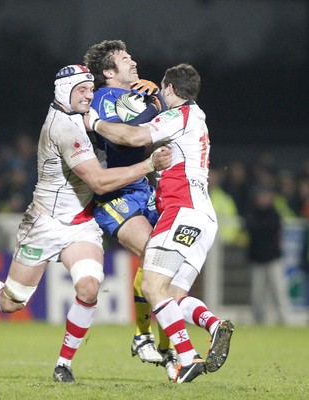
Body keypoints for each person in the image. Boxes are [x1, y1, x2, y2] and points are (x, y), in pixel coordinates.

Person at [0, 64, 171, 383]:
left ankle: (63, 364)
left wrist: (138, 104)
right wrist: (149, 163)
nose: (88, 95)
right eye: (80, 90)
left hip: (80, 224)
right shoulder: (64, 127)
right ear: (63, 93)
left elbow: (115, 126)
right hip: (45, 223)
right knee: (12, 302)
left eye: (89, 89)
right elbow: (98, 181)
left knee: (89, 286)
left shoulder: (80, 114)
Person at [84, 62, 234, 383]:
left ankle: (188, 355)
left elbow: (134, 136)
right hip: (203, 218)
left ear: (169, 89)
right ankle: (212, 324)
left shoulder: (176, 116)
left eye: (162, 90)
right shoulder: (196, 117)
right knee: (172, 294)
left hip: (180, 211)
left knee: (152, 286)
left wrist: (95, 122)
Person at [83, 39, 177, 379]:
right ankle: (143, 336)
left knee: (168, 261)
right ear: (109, 72)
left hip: (145, 187)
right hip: (116, 190)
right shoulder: (101, 99)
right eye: (125, 59)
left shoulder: (138, 93)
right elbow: (124, 134)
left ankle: (165, 347)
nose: (133, 62)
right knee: (155, 254)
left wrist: (156, 102)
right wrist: (156, 103)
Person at [245, 184, 291, 324]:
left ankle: (284, 318)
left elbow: (274, 227)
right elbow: (253, 228)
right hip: (257, 258)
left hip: (273, 258)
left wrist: (262, 228)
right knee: (257, 294)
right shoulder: (252, 212)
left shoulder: (273, 212)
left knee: (279, 291)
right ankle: (258, 319)